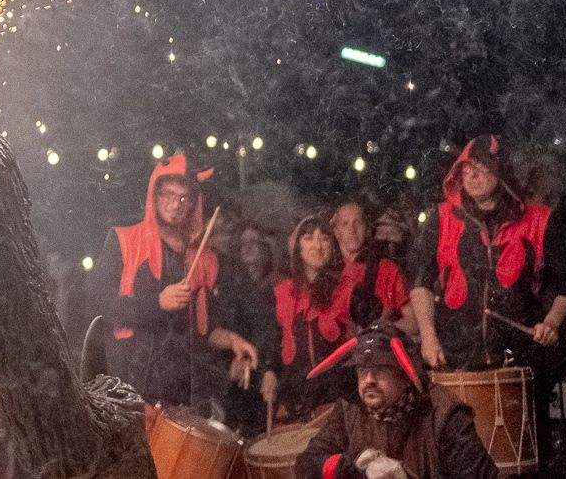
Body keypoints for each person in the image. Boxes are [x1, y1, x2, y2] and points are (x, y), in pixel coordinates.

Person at [97, 154, 260, 407]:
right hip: (132, 390)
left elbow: (204, 331)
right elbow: (102, 307)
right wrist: (157, 303)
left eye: (184, 198)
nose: (175, 205)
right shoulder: (123, 241)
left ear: (194, 203)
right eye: (168, 195)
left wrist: (232, 340)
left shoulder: (204, 259)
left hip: (185, 397)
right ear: (154, 194)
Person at [407, 136, 566, 370]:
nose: (471, 176)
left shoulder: (539, 220)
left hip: (521, 360)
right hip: (456, 357)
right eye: (466, 168)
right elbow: (420, 280)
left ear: (501, 170)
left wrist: (552, 323)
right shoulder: (441, 218)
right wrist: (429, 338)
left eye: (481, 167)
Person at [296, 325, 498, 479]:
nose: (369, 380)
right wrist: (352, 467)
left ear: (404, 376)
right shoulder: (350, 408)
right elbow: (306, 463)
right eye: (363, 370)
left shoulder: (445, 415)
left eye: (381, 369)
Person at [263, 213, 357, 424]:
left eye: (324, 238)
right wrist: (269, 371)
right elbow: (275, 337)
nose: (317, 245)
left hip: (336, 402)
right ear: (297, 248)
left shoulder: (348, 290)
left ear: (333, 247)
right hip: (294, 400)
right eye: (308, 238)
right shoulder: (282, 292)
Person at [333, 203, 410, 327]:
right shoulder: (328, 276)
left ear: (366, 228)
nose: (352, 230)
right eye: (345, 224)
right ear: (337, 232)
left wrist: (381, 331)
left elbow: (413, 323)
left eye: (357, 222)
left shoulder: (388, 270)